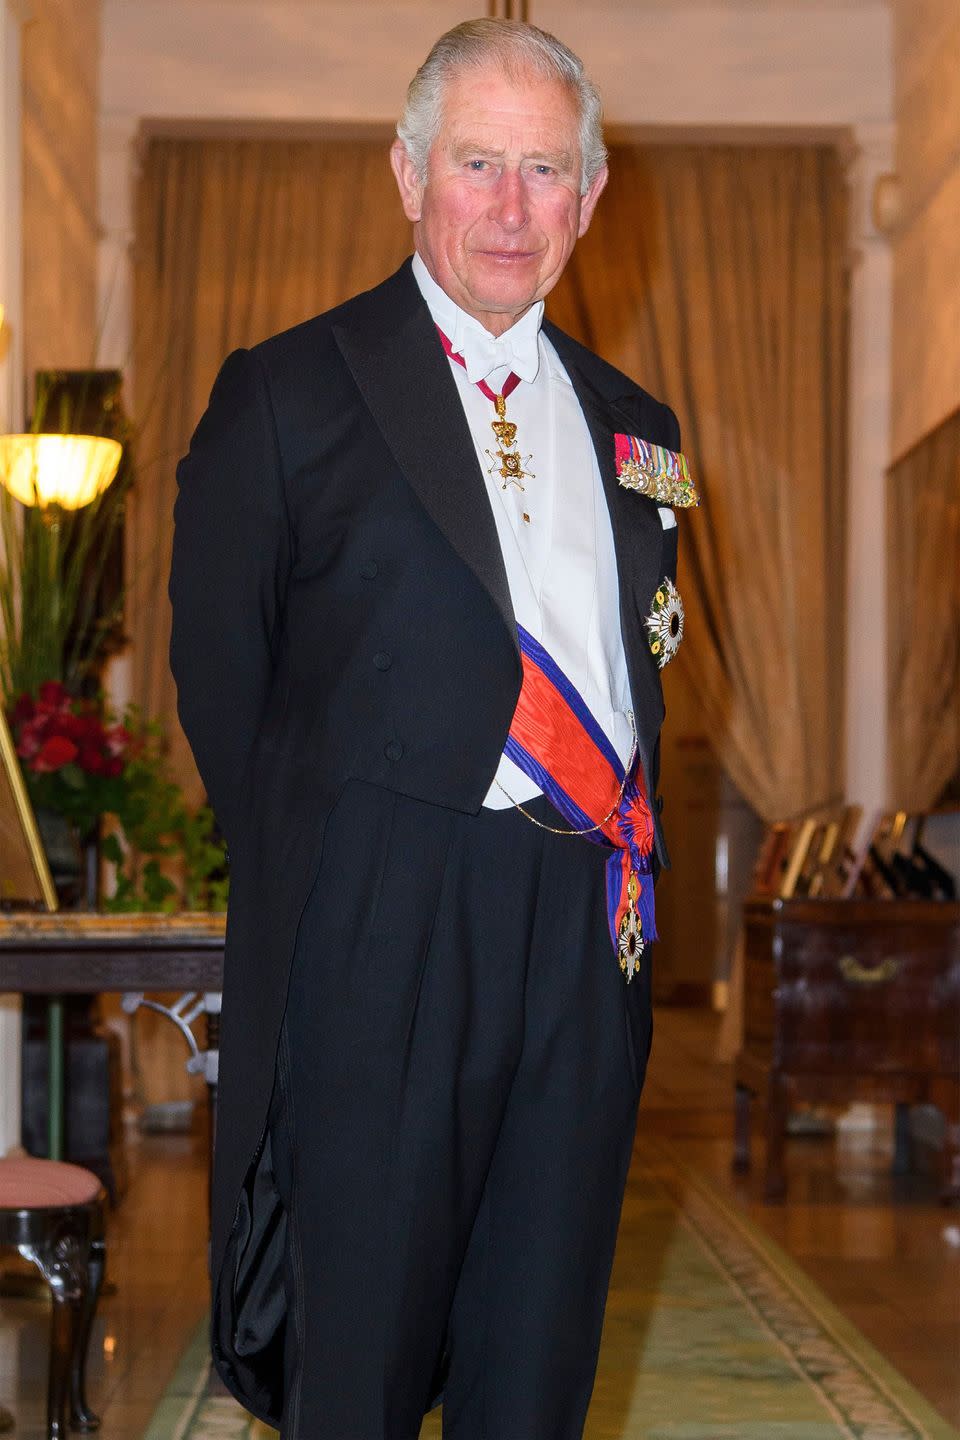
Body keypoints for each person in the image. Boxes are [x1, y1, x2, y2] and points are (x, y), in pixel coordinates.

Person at [169, 18, 696, 1440]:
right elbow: (223, 688)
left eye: (547, 171)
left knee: (537, 1357)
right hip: (382, 928)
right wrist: (348, 875)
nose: (513, 209)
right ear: (408, 175)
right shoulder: (287, 394)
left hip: (583, 936)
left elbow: (641, 674)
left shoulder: (637, 427)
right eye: (480, 164)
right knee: (363, 1365)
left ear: (591, 196)